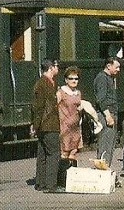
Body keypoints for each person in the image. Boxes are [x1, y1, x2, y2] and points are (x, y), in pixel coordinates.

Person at [57, 66, 103, 167]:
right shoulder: (61, 92)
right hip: (64, 127)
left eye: (76, 78)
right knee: (64, 153)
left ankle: (72, 176)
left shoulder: (78, 93)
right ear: (66, 80)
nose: (74, 81)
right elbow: (54, 108)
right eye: (71, 78)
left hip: (76, 127)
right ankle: (62, 178)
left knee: (74, 151)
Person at [31, 59, 61, 192]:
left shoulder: (46, 82)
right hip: (48, 124)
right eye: (56, 66)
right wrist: (57, 98)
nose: (58, 68)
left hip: (44, 124)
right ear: (50, 68)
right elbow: (40, 106)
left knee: (43, 153)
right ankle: (50, 185)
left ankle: (40, 183)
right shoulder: (44, 84)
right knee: (53, 153)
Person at [92, 57, 121, 170]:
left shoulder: (108, 78)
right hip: (106, 115)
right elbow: (101, 99)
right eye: (116, 67)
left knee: (109, 146)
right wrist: (108, 115)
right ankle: (102, 172)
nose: (118, 69)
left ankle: (105, 170)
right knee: (106, 146)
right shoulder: (102, 78)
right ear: (108, 66)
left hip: (110, 114)